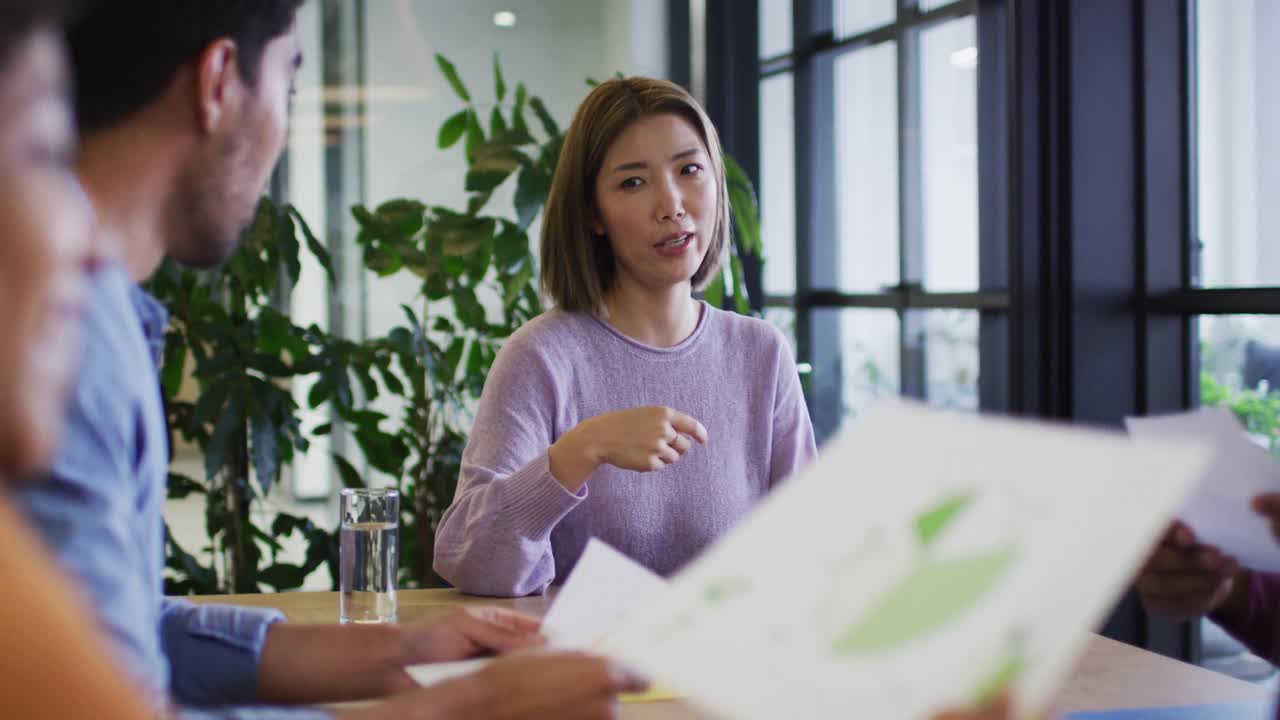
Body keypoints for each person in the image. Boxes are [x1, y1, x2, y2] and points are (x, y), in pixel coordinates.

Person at [13, 2, 643, 719]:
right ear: (219, 81)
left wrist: (399, 653)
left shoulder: (107, 318)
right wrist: (454, 712)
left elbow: (114, 634)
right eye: (289, 86)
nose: (84, 242)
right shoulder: (63, 331)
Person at [432, 77, 819, 598]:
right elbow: (472, 562)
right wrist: (583, 448)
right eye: (633, 183)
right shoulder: (540, 357)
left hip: (727, 670)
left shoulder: (761, 353)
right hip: (583, 673)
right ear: (592, 214)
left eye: (690, 170)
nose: (672, 204)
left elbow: (808, 553)